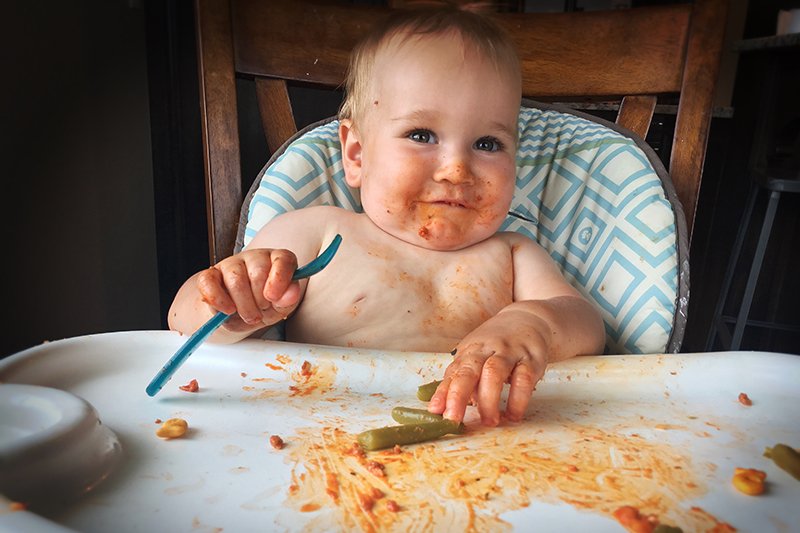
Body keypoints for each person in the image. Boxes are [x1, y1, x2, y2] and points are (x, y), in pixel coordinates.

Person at [169, 6, 605, 427]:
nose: (456, 170)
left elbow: (584, 322)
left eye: (488, 143)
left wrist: (533, 323)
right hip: (322, 437)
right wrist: (229, 300)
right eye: (421, 135)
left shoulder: (513, 253)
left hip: (486, 443)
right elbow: (182, 322)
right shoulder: (316, 232)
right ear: (357, 154)